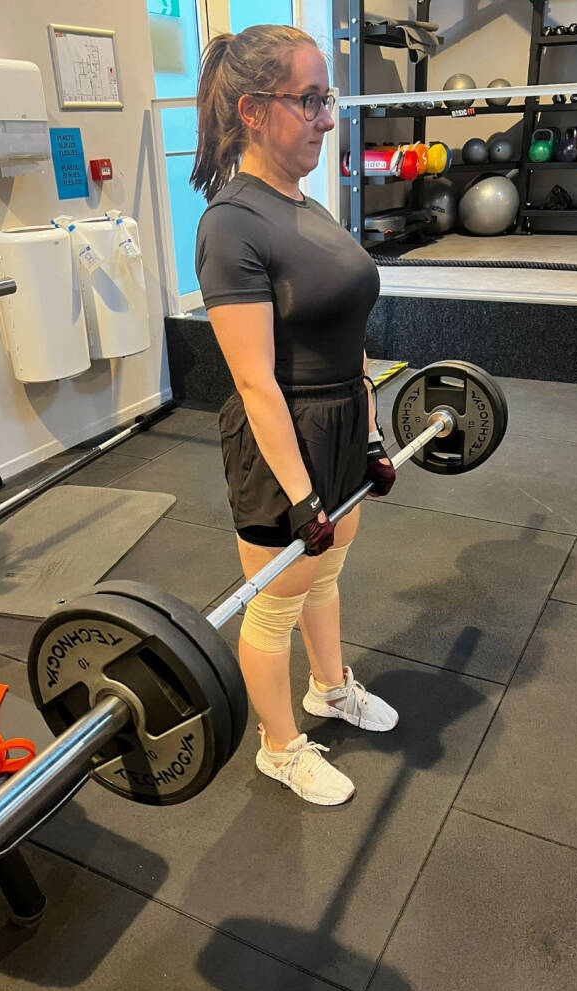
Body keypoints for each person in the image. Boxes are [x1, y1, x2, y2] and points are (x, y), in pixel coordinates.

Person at [191, 25, 398, 807]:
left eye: (325, 99)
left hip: (342, 420)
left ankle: (329, 686)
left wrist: (370, 433)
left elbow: (350, 336)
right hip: (283, 437)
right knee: (275, 602)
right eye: (308, 100)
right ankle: (278, 746)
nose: (326, 118)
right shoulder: (231, 223)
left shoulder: (306, 204)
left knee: (326, 574)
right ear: (251, 110)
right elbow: (254, 381)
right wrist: (303, 494)